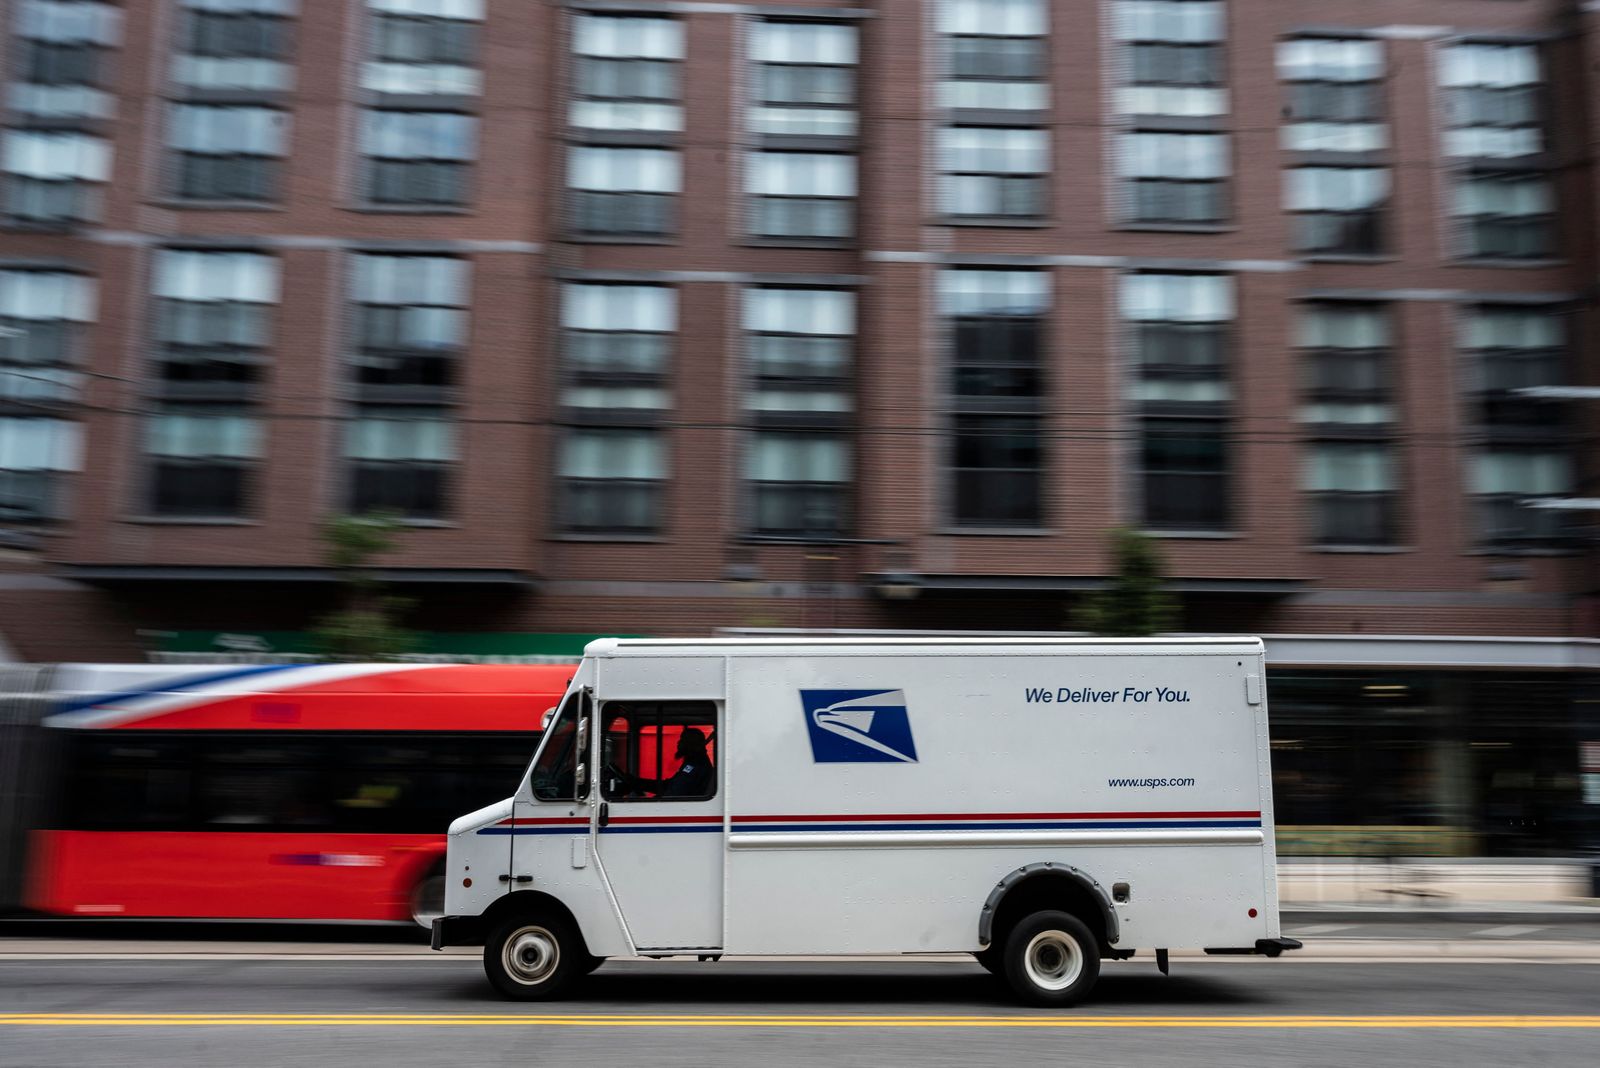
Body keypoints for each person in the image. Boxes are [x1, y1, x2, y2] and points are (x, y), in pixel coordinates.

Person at [613, 726, 714, 798]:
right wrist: (638, 782)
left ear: (691, 744)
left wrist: (653, 802)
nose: (678, 743)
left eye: (682, 740)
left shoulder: (695, 765)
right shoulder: (693, 762)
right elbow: (669, 785)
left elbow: (674, 793)